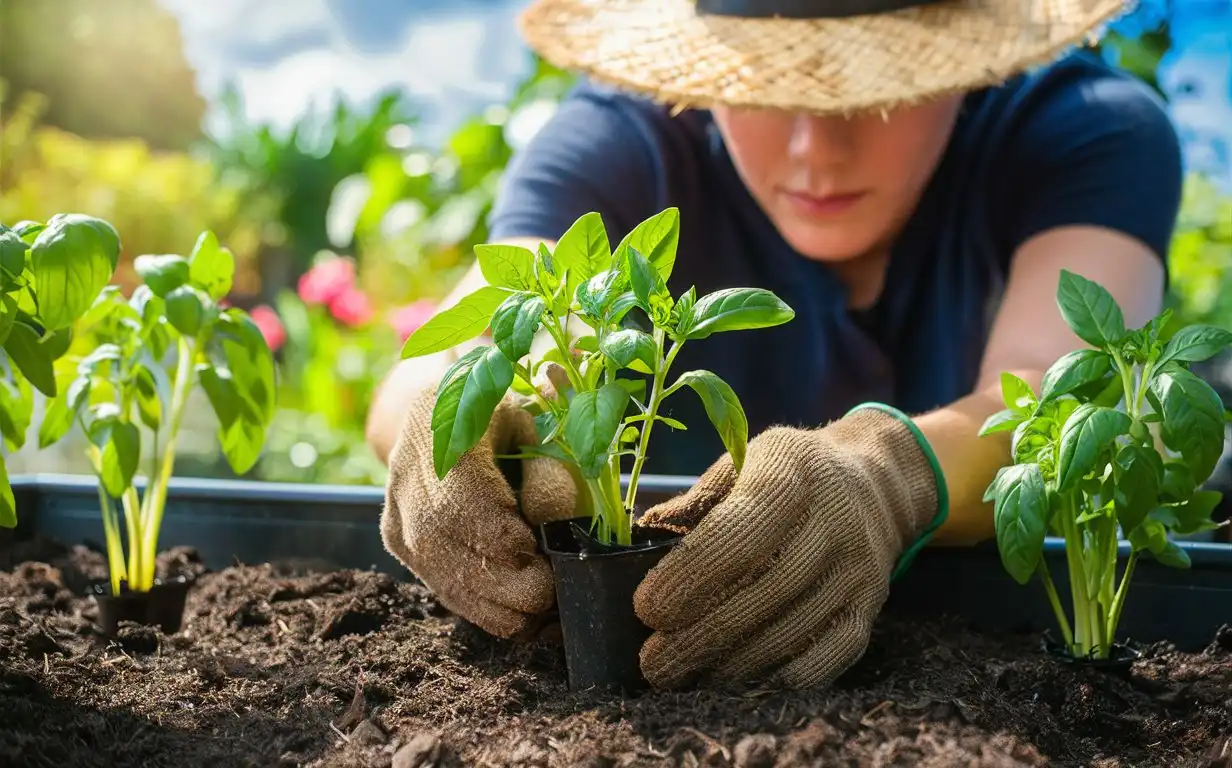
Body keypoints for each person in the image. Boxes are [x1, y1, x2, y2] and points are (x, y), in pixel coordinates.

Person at [368, 0, 1182, 691]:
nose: (816, 150)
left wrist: (886, 472)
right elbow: (464, 340)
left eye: (878, 90)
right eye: (762, 87)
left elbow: (1063, 395)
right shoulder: (620, 144)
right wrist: (452, 413)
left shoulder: (1083, 130)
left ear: (965, 64)